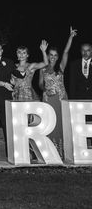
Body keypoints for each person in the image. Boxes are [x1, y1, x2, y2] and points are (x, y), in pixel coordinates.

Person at [39, 28, 75, 158]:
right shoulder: (42, 68)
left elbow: (66, 51)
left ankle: (62, 152)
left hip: (61, 99)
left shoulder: (61, 68)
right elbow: (40, 84)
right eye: (51, 55)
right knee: (50, 124)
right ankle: (50, 151)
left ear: (58, 57)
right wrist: (45, 90)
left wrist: (70, 37)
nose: (53, 57)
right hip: (48, 99)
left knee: (61, 125)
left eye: (55, 55)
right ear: (48, 56)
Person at [69, 33, 92, 100]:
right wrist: (72, 100)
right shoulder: (74, 64)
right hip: (78, 99)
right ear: (80, 51)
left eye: (88, 50)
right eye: (83, 50)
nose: (85, 53)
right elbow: (72, 84)